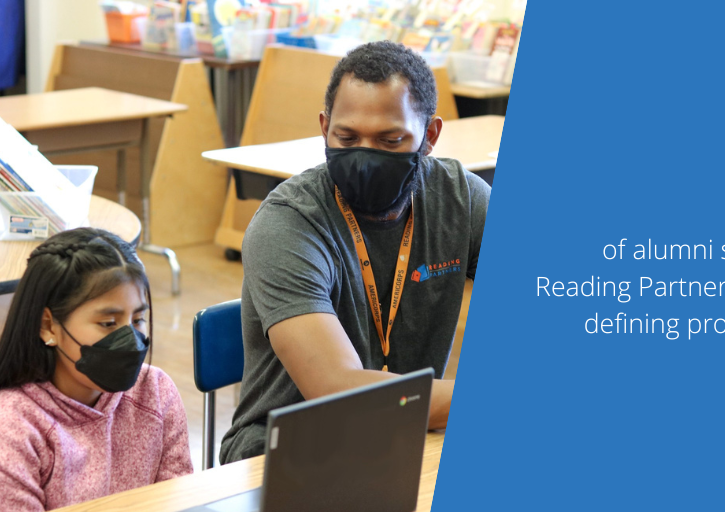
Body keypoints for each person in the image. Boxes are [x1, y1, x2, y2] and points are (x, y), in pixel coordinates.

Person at [221, 41, 490, 463]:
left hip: (404, 432)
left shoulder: (460, 199)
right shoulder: (289, 223)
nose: (365, 157)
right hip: (287, 451)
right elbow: (337, 389)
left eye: (390, 140)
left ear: (430, 136)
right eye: (346, 137)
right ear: (325, 127)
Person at [0, 228, 192, 511]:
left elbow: (181, 503)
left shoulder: (156, 393)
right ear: (48, 326)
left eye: (138, 319)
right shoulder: (14, 429)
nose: (129, 338)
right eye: (108, 323)